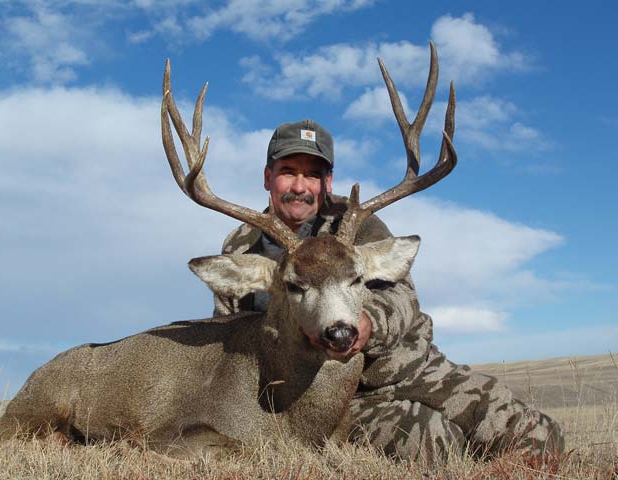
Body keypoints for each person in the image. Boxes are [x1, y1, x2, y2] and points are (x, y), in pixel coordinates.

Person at [213, 119, 564, 461]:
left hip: (403, 364)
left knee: (537, 436)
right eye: (289, 170)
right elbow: (230, 338)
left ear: (328, 180)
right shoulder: (242, 249)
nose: (301, 186)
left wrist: (368, 324)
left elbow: (402, 297)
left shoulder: (356, 224)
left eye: (313, 175)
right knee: (436, 443)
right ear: (267, 177)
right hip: (324, 396)